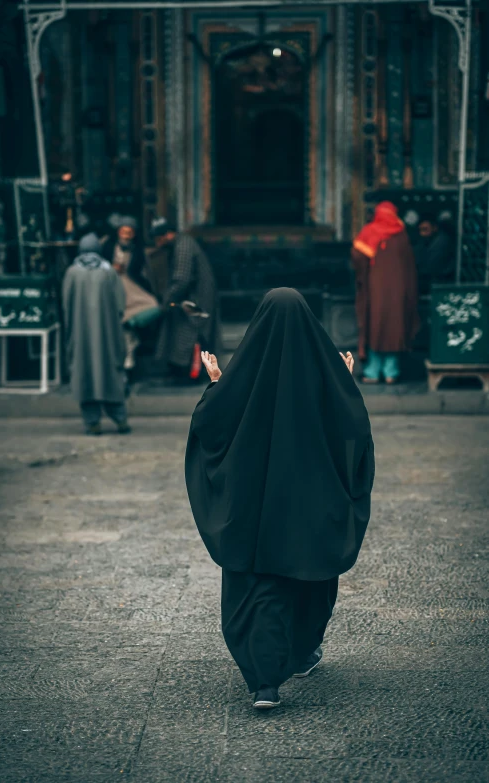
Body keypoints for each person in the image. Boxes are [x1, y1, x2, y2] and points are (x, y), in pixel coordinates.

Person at [185, 288, 375, 709]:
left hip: (254, 513)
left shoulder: (245, 375)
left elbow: (212, 426)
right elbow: (354, 432)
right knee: (308, 575)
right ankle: (302, 652)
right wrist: (343, 383)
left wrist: (217, 384)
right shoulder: (325, 378)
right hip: (309, 508)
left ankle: (264, 683)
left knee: (259, 582)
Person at [62, 233, 131, 435]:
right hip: (107, 337)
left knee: (85, 376)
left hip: (81, 336)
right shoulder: (108, 272)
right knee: (110, 375)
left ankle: (93, 423)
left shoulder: (72, 273)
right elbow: (120, 303)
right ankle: (120, 420)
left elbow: (66, 305)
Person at [352, 201, 420, 384]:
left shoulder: (369, 231)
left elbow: (357, 257)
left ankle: (373, 372)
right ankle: (391, 372)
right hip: (399, 292)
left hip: (375, 292)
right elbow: (410, 267)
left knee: (376, 327)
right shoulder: (402, 235)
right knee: (394, 328)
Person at [149, 217, 220, 383]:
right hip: (193, 301)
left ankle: (190, 375)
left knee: (188, 338)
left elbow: (181, 279)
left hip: (196, 302)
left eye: (159, 237)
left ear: (168, 234)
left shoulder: (183, 246)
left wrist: (165, 302)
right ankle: (185, 373)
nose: (157, 242)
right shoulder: (182, 243)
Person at [102, 217, 161, 372]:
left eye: (130, 232)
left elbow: (143, 272)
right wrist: (110, 268)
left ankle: (131, 325)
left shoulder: (137, 250)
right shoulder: (107, 246)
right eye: (123, 232)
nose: (126, 236)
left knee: (152, 305)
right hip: (111, 287)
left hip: (131, 287)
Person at [414, 214, 455, 293]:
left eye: (425, 229)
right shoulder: (426, 242)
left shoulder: (442, 242)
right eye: (420, 230)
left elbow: (431, 265)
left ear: (434, 228)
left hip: (440, 282)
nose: (422, 233)